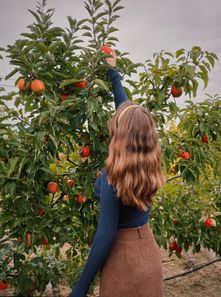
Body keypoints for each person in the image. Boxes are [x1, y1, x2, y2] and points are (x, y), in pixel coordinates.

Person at [69, 49, 165, 297]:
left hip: (124, 261)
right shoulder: (147, 162)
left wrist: (80, 289)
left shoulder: (113, 176)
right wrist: (113, 73)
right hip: (148, 255)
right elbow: (127, 111)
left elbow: (105, 235)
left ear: (121, 136)